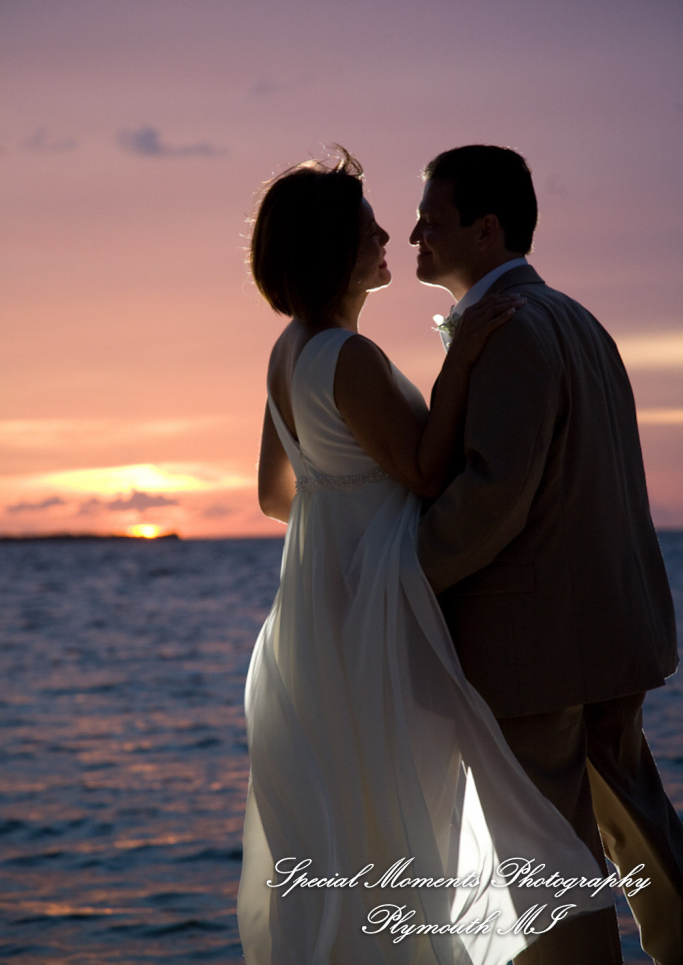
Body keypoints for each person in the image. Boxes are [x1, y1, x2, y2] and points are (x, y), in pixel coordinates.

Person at [237, 148, 613, 965]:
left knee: (359, 810)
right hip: (378, 612)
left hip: (318, 613)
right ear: (331, 247)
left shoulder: (287, 353)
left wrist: (342, 505)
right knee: (411, 802)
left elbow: (275, 495)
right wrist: (463, 357)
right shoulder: (348, 357)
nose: (387, 235)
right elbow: (427, 470)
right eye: (367, 225)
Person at [413, 144, 683, 965]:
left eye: (434, 218)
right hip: (610, 629)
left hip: (535, 649)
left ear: (486, 230)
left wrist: (400, 573)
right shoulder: (578, 318)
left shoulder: (512, 330)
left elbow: (494, 495)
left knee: (547, 868)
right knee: (638, 833)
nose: (415, 234)